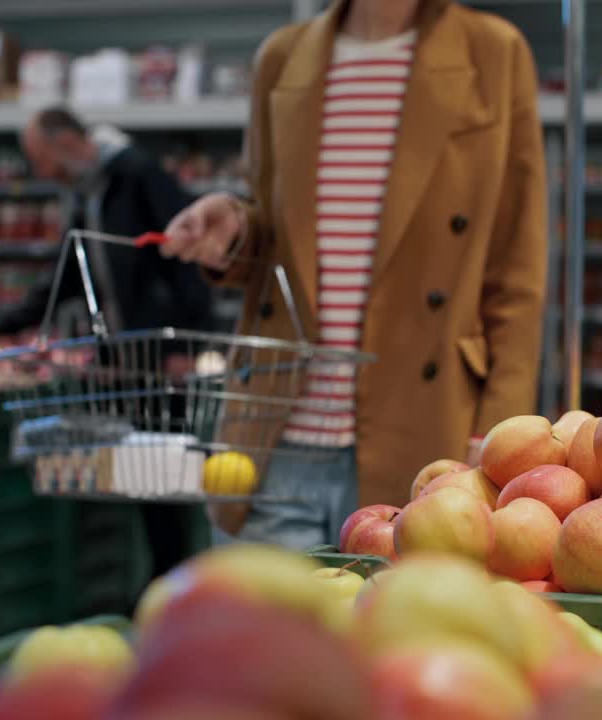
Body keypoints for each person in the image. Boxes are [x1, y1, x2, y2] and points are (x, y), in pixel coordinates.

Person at [160, 0, 548, 549]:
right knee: (264, 634)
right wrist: (235, 228)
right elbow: (275, 233)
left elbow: (517, 268)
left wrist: (499, 436)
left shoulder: (493, 53)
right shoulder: (283, 57)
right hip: (274, 442)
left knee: (396, 633)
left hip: (430, 437)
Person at [0, 106, 215, 580]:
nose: (41, 172)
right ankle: (159, 586)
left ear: (67, 143)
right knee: (144, 485)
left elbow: (188, 260)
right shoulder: (87, 194)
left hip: (162, 360)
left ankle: (173, 586)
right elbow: (67, 274)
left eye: (41, 158)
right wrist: (2, 323)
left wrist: (185, 348)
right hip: (128, 365)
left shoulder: (138, 177)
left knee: (166, 487)